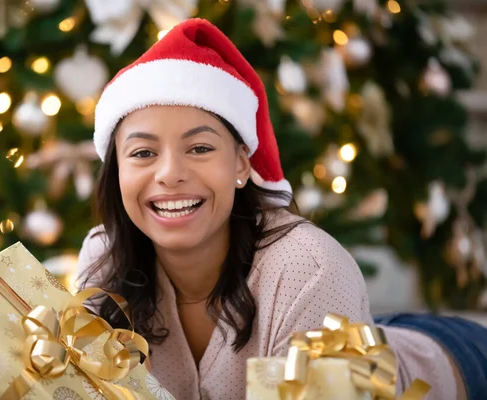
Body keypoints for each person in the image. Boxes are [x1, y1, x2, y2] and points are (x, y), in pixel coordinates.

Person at [77, 18, 477, 400]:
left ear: (241, 164)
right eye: (143, 152)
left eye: (200, 148)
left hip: (459, 363)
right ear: (116, 173)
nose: (170, 174)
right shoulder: (104, 259)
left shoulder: (310, 267)